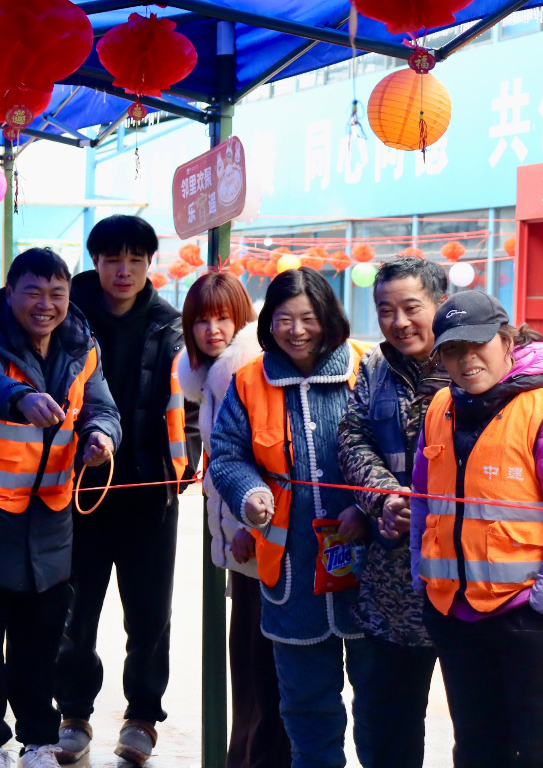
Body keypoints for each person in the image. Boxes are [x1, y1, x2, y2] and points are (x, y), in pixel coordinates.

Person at [408, 290, 543, 768]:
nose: (466, 359)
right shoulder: (439, 408)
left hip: (530, 619)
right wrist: (422, 578)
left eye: (478, 344)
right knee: (477, 750)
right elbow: (422, 502)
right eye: (453, 349)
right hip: (456, 616)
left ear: (507, 341)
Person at [0, 248, 121, 768]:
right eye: (33, 291)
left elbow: (102, 408)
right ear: (10, 293)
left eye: (56, 293)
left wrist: (100, 437)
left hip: (51, 520)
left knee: (41, 642)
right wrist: (20, 398)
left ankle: (39, 740)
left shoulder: (82, 348)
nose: (45, 304)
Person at [209, 266, 372, 768]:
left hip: (368, 569)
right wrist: (249, 494)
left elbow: (394, 448)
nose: (296, 331)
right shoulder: (249, 381)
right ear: (268, 324)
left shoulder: (367, 368)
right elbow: (227, 455)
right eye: (284, 319)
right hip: (291, 571)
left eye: (308, 318)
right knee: (304, 705)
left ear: (329, 317)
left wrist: (367, 505)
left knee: (378, 704)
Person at [56, 216, 194, 766]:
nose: (124, 270)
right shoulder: (66, 318)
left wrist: (187, 462)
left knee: (149, 614)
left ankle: (142, 715)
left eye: (136, 259)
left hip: (150, 494)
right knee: (74, 610)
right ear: (95, 261)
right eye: (113, 258)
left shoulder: (171, 325)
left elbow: (195, 402)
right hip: (76, 493)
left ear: (149, 264)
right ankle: (73, 711)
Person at [335, 257, 449, 768]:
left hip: (467, 579)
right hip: (392, 581)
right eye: (386, 310)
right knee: (385, 720)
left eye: (411, 307)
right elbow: (352, 437)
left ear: (440, 304)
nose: (399, 322)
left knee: (483, 721)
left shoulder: (475, 363)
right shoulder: (375, 369)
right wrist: (383, 498)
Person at [175, 272, 290, 768]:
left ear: (242, 318)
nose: (212, 330)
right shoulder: (209, 375)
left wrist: (250, 526)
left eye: (223, 318)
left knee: (260, 668)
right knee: (244, 662)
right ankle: (240, 756)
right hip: (243, 544)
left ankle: (249, 759)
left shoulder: (246, 370)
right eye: (201, 321)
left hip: (260, 539)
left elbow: (269, 459)